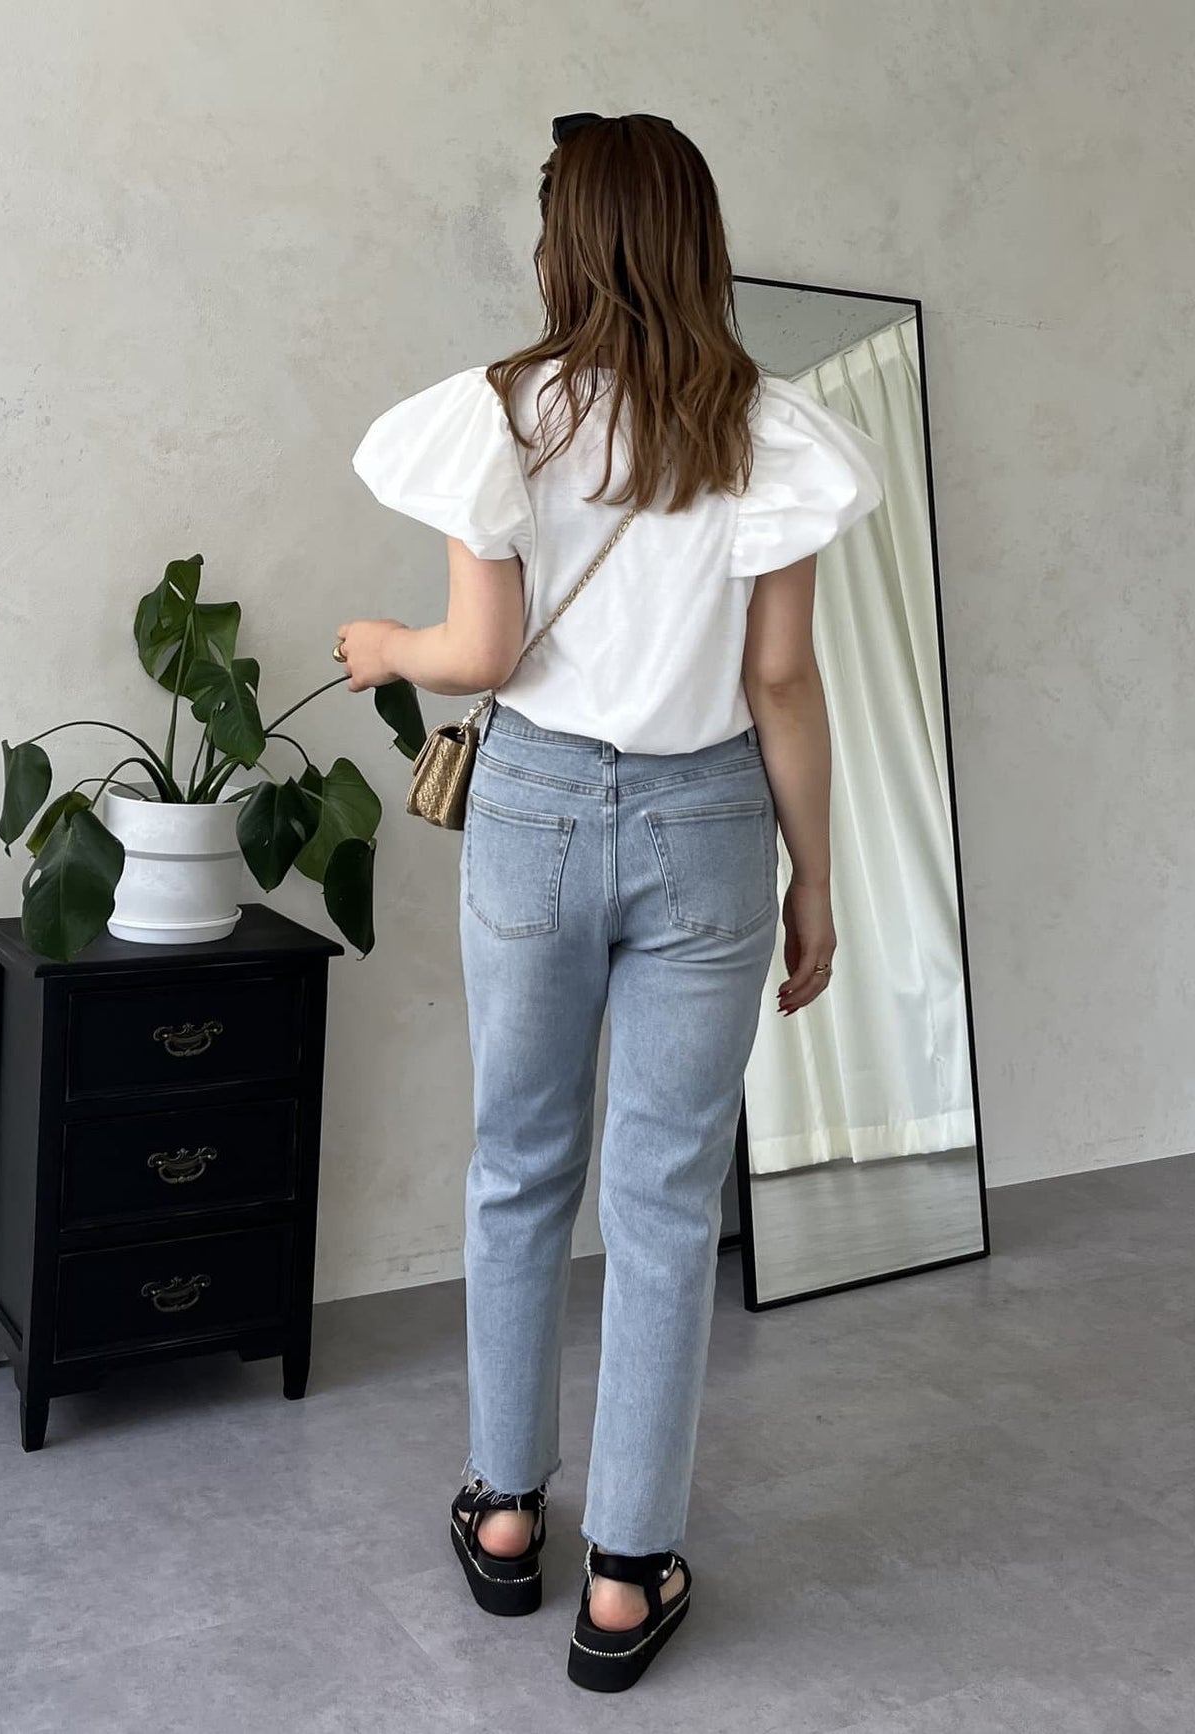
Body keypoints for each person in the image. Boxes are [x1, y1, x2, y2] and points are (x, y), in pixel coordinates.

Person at [336, 111, 884, 1692]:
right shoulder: (762, 429)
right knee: (660, 1198)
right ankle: (629, 1574)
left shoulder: (499, 414)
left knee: (520, 1163)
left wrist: (384, 649)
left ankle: (507, 1510)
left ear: (564, 244)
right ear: (696, 242)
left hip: (536, 815)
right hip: (710, 823)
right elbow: (780, 682)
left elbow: (481, 653)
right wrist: (816, 879)